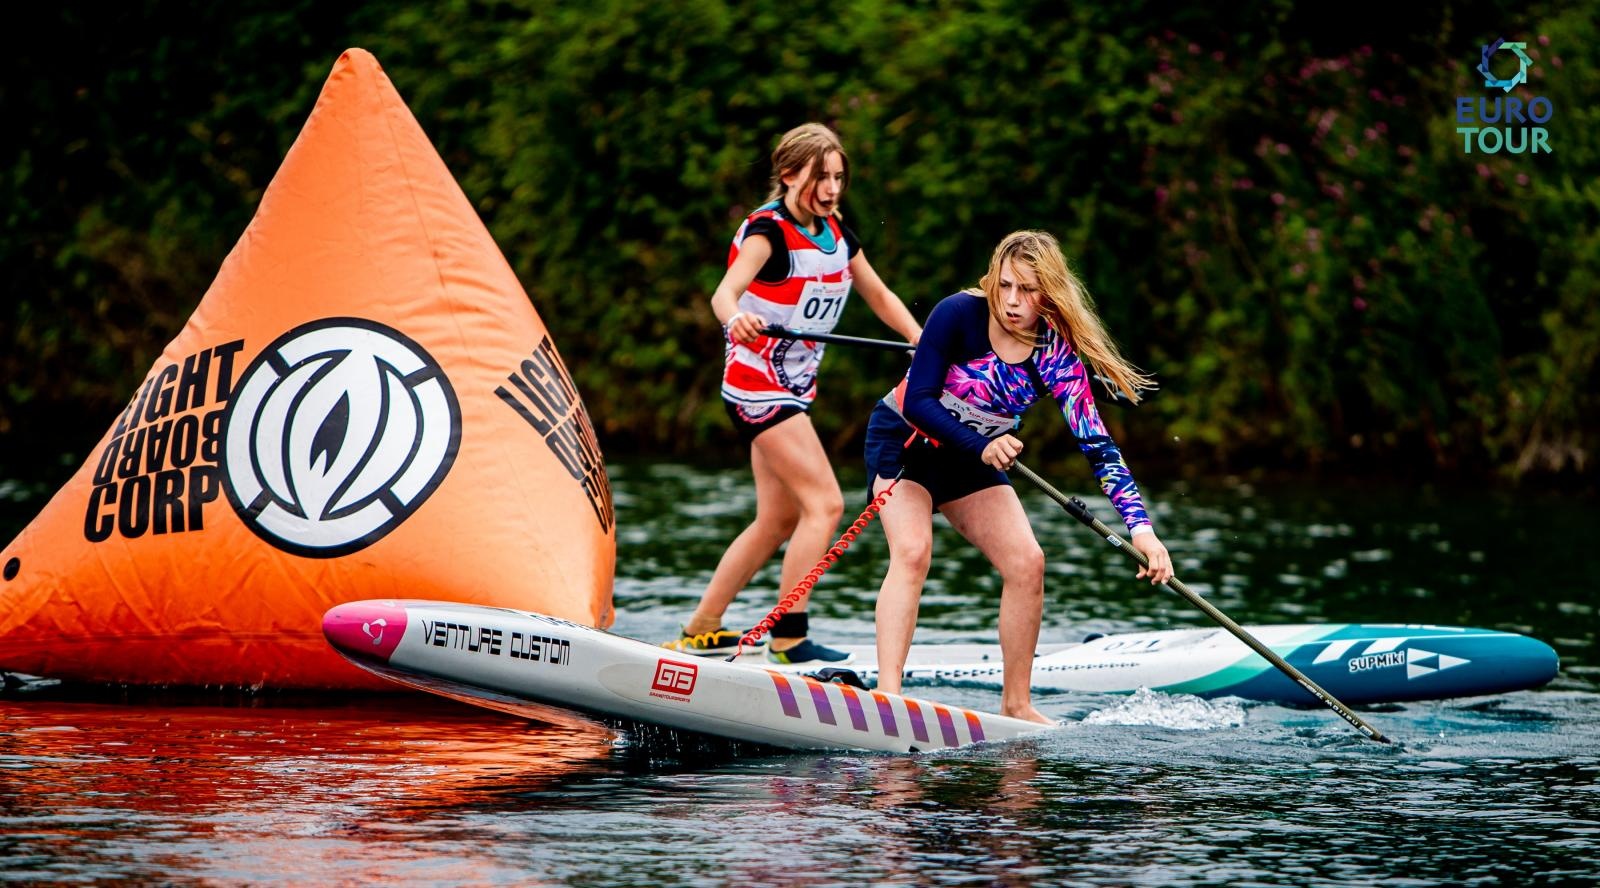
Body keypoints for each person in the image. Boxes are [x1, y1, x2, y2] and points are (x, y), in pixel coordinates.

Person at [863, 230, 1173, 723]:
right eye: (1004, 285)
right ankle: (888, 696)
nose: (1011, 301)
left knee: (1028, 563)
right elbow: (920, 401)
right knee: (913, 550)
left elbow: (1097, 446)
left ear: (1047, 293)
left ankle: (1017, 704)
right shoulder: (956, 314)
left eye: (1026, 291)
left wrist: (1143, 530)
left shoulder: (1057, 353)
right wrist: (984, 443)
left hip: (972, 460)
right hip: (906, 443)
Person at [667, 123, 922, 665]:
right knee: (825, 504)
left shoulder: (835, 232)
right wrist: (736, 319)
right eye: (819, 178)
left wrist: (920, 340)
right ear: (788, 175)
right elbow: (724, 293)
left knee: (777, 520)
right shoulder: (769, 232)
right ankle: (788, 635)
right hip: (757, 387)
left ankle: (703, 627)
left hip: (793, 389)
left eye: (838, 178)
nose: (830, 189)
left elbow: (877, 293)